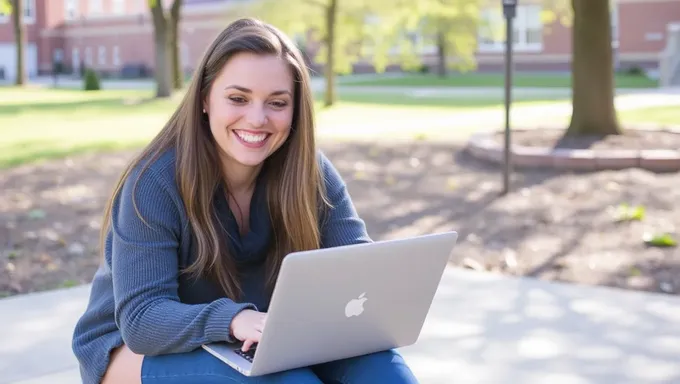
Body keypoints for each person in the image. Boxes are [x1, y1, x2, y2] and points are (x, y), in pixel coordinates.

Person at [71, 17, 419, 384]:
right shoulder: (154, 181)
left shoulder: (310, 173)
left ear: (295, 109)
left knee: (385, 372)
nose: (257, 119)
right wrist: (233, 319)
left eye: (277, 102)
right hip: (134, 350)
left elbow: (359, 270)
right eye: (238, 98)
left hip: (256, 338)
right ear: (205, 98)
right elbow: (142, 321)